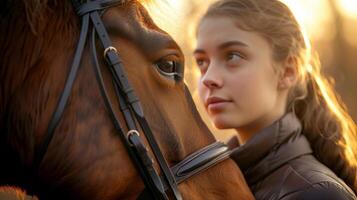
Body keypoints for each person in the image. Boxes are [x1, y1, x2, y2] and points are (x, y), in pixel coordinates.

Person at [193, 0, 357, 199]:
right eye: (202, 62)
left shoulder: (318, 193)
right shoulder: (213, 186)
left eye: (233, 56)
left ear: (288, 71)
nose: (209, 77)